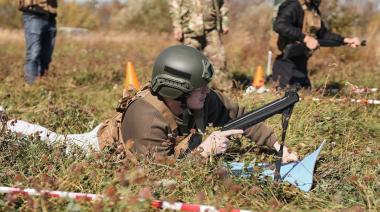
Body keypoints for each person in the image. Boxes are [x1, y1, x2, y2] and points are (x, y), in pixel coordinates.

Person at [0, 45, 298, 162]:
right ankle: (6, 126)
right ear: (177, 90)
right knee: (54, 143)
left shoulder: (201, 98)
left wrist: (276, 146)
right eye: (200, 86)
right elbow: (157, 174)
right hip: (99, 150)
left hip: (156, 148)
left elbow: (242, 116)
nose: (209, 91)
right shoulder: (146, 117)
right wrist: (204, 153)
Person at [272, 0, 361, 89]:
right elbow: (279, 25)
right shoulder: (293, 5)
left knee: (306, 93)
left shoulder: (312, 8)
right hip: (286, 63)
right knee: (287, 95)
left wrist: (345, 40)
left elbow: (323, 34)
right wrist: (305, 38)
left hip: (301, 63)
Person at [168, 0, 231, 91]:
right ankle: (188, 93)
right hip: (189, 29)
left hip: (211, 28)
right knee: (189, 64)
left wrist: (224, 22)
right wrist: (177, 26)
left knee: (219, 61)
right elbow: (174, 5)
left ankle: (225, 93)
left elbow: (222, 3)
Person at [18, 0, 58, 84]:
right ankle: (31, 86)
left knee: (46, 57)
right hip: (33, 14)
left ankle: (42, 84)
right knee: (34, 54)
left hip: (50, 17)